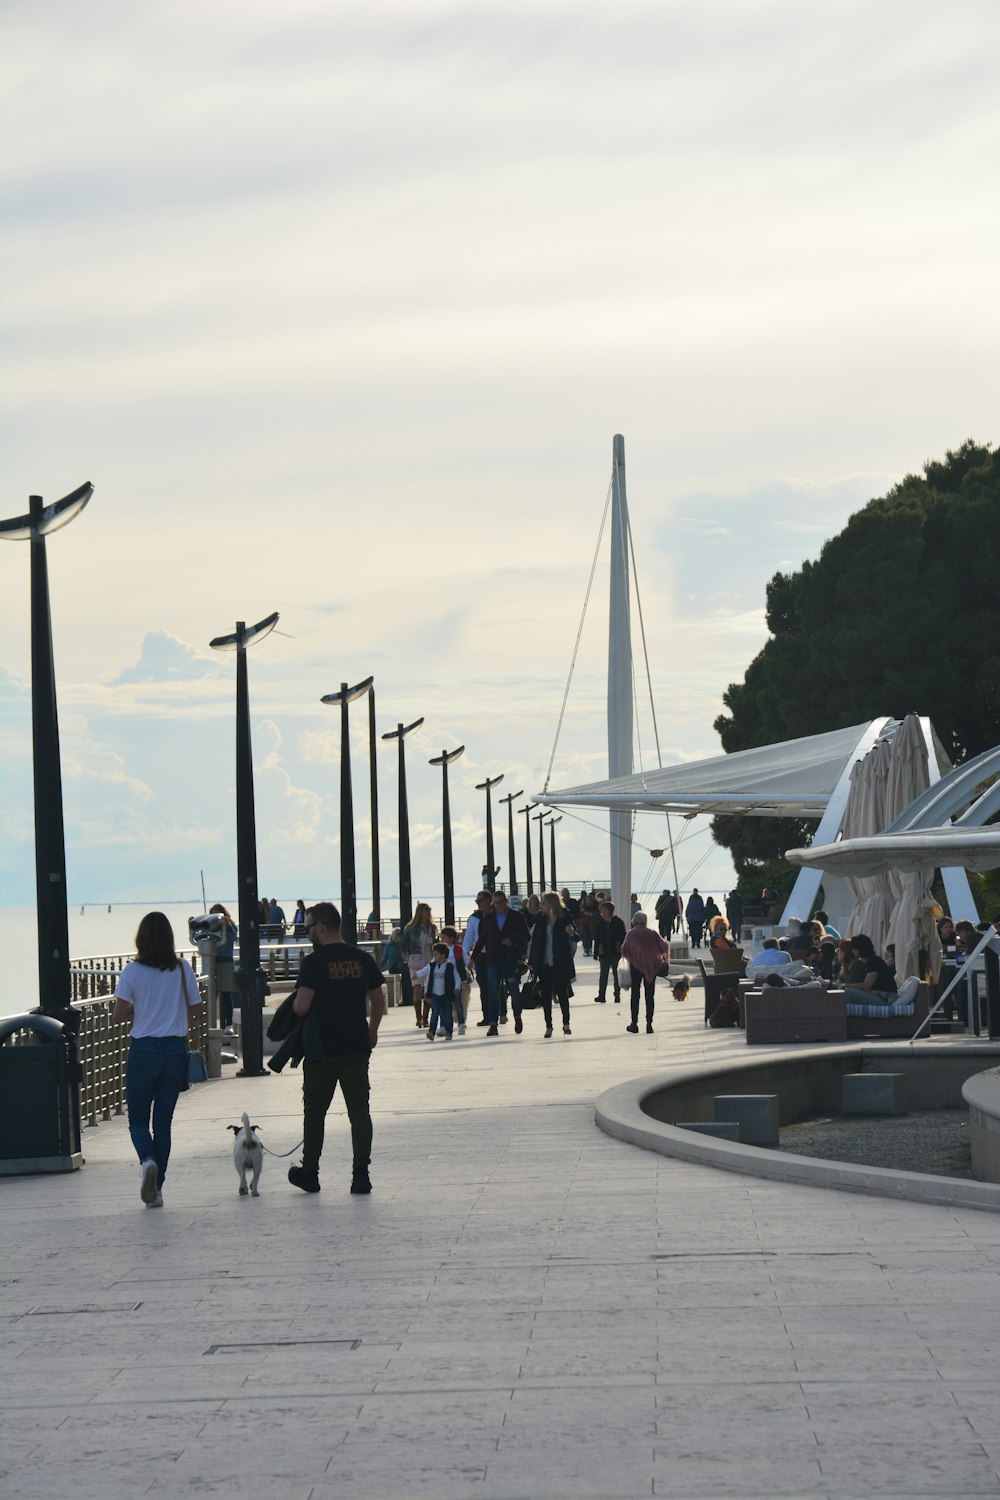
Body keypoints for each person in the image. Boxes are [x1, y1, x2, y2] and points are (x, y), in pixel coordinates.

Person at [287, 902, 385, 1195]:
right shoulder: (362, 958)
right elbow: (378, 1002)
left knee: (315, 1112)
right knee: (359, 1111)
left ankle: (311, 1173)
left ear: (322, 926)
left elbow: (302, 1006)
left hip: (322, 1050)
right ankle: (360, 1174)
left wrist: (290, 1007)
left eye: (308, 927)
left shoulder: (314, 963)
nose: (307, 933)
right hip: (356, 1044)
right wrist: (372, 1031)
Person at [112, 912, 204, 1208]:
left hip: (143, 1050)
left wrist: (138, 1010)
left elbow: (118, 1014)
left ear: (141, 938)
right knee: (163, 1124)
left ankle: (147, 1161)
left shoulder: (132, 971)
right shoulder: (181, 968)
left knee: (137, 1119)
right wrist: (173, 1014)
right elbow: (197, 1008)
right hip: (175, 1050)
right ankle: (158, 1189)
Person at [472, 889, 529, 1036]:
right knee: (493, 993)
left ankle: (517, 1016)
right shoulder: (488, 918)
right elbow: (482, 939)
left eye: (501, 902)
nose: (499, 905)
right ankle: (493, 1025)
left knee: (514, 992)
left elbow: (526, 936)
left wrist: (513, 940)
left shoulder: (517, 916)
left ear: (506, 901)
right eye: (495, 903)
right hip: (493, 960)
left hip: (511, 960)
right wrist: (473, 958)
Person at [527, 891, 578, 1036]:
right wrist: (531, 961)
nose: (541, 905)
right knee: (546, 995)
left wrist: (572, 933)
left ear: (551, 903)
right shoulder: (541, 919)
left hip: (560, 962)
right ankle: (549, 1026)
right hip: (544, 963)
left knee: (562, 994)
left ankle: (566, 1023)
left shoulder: (565, 916)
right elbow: (535, 941)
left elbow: (576, 937)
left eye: (543, 902)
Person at [620, 912, 670, 1034]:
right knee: (650, 996)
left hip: (635, 966)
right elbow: (664, 946)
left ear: (634, 921)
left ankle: (634, 1024)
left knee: (635, 995)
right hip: (651, 967)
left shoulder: (631, 934)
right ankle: (649, 1025)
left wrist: (634, 956)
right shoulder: (652, 932)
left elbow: (624, 949)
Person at [415, 942, 465, 1040]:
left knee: (447, 1015)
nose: (434, 956)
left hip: (446, 995)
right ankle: (431, 1032)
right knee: (434, 1014)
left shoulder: (450, 966)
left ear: (443, 955)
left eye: (436, 954)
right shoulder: (433, 966)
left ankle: (449, 1032)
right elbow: (426, 973)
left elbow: (457, 977)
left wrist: (457, 987)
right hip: (435, 996)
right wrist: (417, 975)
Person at [401, 902, 437, 1028]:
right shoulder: (410, 928)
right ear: (420, 912)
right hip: (415, 962)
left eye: (429, 910)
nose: (428, 912)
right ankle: (418, 1018)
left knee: (428, 990)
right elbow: (403, 945)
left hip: (429, 960)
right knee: (417, 988)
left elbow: (435, 943)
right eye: (426, 910)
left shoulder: (431, 928)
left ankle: (426, 1018)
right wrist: (407, 958)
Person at [462, 891, 494, 1023]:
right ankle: (487, 1016)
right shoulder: (474, 918)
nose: (478, 904)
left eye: (479, 901)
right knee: (484, 986)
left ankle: (501, 1012)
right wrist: (464, 956)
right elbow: (469, 937)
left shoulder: (497, 915)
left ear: (488, 901)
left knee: (496, 984)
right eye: (477, 901)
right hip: (480, 955)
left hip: (495, 953)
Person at [843, 934, 898, 1006]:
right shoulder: (871, 961)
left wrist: (847, 986)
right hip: (881, 995)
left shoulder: (874, 962)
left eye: (854, 949)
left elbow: (866, 986)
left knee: (848, 992)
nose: (853, 951)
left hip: (886, 998)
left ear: (858, 950)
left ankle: (844, 1015)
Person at [208, 902, 238, 1031]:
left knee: (226, 994)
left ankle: (228, 1024)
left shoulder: (230, 925)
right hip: (213, 962)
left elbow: (232, 939)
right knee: (211, 994)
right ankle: (210, 1023)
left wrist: (227, 925)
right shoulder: (211, 927)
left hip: (225, 961)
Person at [593, 899, 626, 1003]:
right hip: (604, 953)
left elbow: (623, 937)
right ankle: (601, 995)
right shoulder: (600, 923)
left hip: (616, 952)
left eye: (604, 909)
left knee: (617, 976)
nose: (601, 911)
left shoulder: (618, 922)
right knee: (603, 975)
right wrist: (596, 953)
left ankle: (617, 995)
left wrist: (623, 950)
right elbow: (597, 939)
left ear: (609, 910)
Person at [577, 890, 598, 955]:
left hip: (591, 923)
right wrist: (589, 913)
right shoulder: (582, 907)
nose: (588, 900)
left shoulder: (592, 906)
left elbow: (594, 913)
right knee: (585, 936)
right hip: (584, 922)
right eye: (587, 899)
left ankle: (590, 949)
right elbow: (582, 914)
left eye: (589, 899)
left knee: (590, 936)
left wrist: (588, 913)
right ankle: (585, 949)